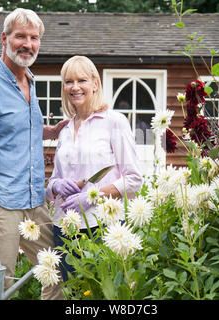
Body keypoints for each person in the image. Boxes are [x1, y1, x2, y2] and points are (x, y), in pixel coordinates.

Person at [0, 8, 67, 300]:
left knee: (57, 271)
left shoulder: (28, 79)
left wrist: (51, 131)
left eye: (34, 38)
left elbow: (16, 128)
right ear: (4, 38)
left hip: (34, 200)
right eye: (20, 36)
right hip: (1, 204)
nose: (27, 44)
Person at [45, 55, 143, 282]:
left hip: (101, 226)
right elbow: (52, 184)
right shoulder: (65, 130)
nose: (75, 87)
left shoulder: (114, 122)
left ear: (95, 84)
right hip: (65, 229)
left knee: (101, 295)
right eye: (69, 82)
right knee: (73, 295)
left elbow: (134, 179)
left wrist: (92, 196)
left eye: (82, 80)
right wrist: (56, 185)